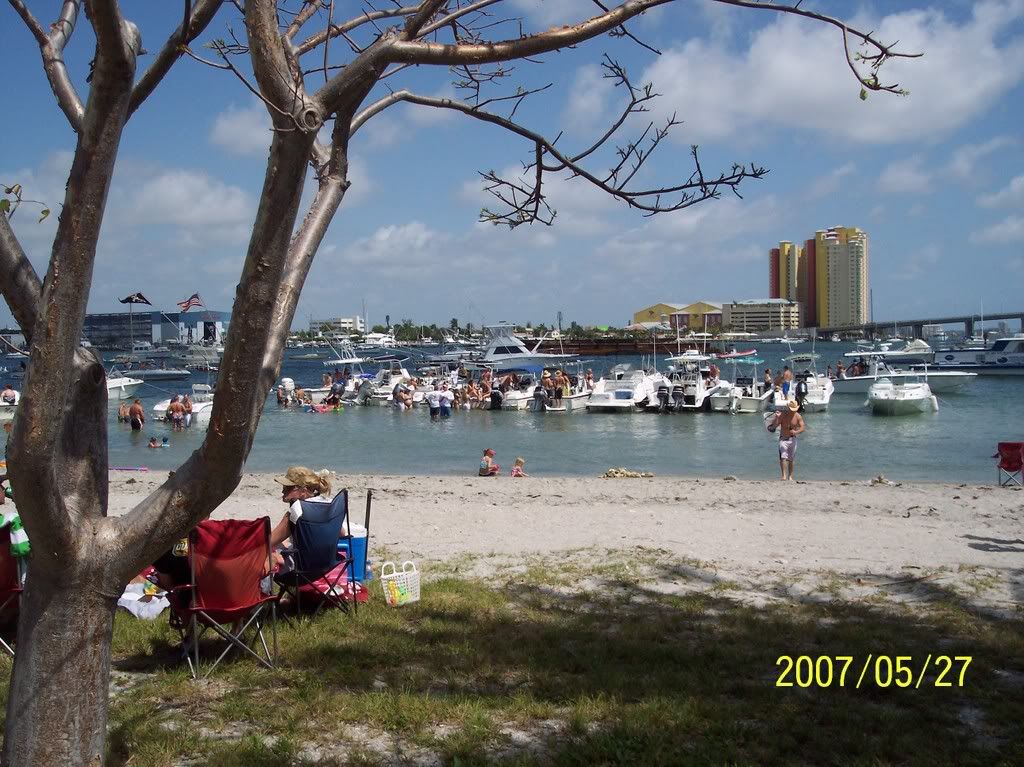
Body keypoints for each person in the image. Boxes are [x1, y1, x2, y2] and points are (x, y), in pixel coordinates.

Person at [270, 466, 334, 549]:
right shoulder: (329, 505)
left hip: (302, 560)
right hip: (328, 558)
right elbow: (342, 534)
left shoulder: (295, 513)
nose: (283, 491)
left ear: (303, 491)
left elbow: (269, 543)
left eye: (288, 487)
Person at [771, 399, 806, 481]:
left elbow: (803, 427)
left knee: (791, 459)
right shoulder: (783, 415)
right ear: (788, 408)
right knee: (783, 457)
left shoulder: (798, 416)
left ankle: (790, 476)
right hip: (783, 439)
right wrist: (777, 417)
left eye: (793, 410)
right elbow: (775, 425)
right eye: (791, 409)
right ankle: (783, 476)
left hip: (792, 439)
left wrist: (796, 432)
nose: (792, 411)